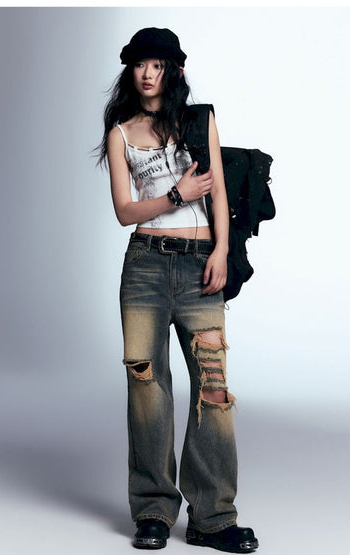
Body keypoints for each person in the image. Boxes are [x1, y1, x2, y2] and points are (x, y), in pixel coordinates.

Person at [94, 27, 259, 553]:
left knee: (213, 388)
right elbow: (125, 211)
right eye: (140, 64)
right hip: (144, 268)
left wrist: (220, 252)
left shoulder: (198, 121)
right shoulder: (121, 133)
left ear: (175, 71)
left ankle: (213, 516)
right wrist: (176, 193)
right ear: (130, 70)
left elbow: (221, 194)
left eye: (158, 65)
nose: (148, 74)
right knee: (148, 390)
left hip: (199, 266)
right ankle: (153, 511)